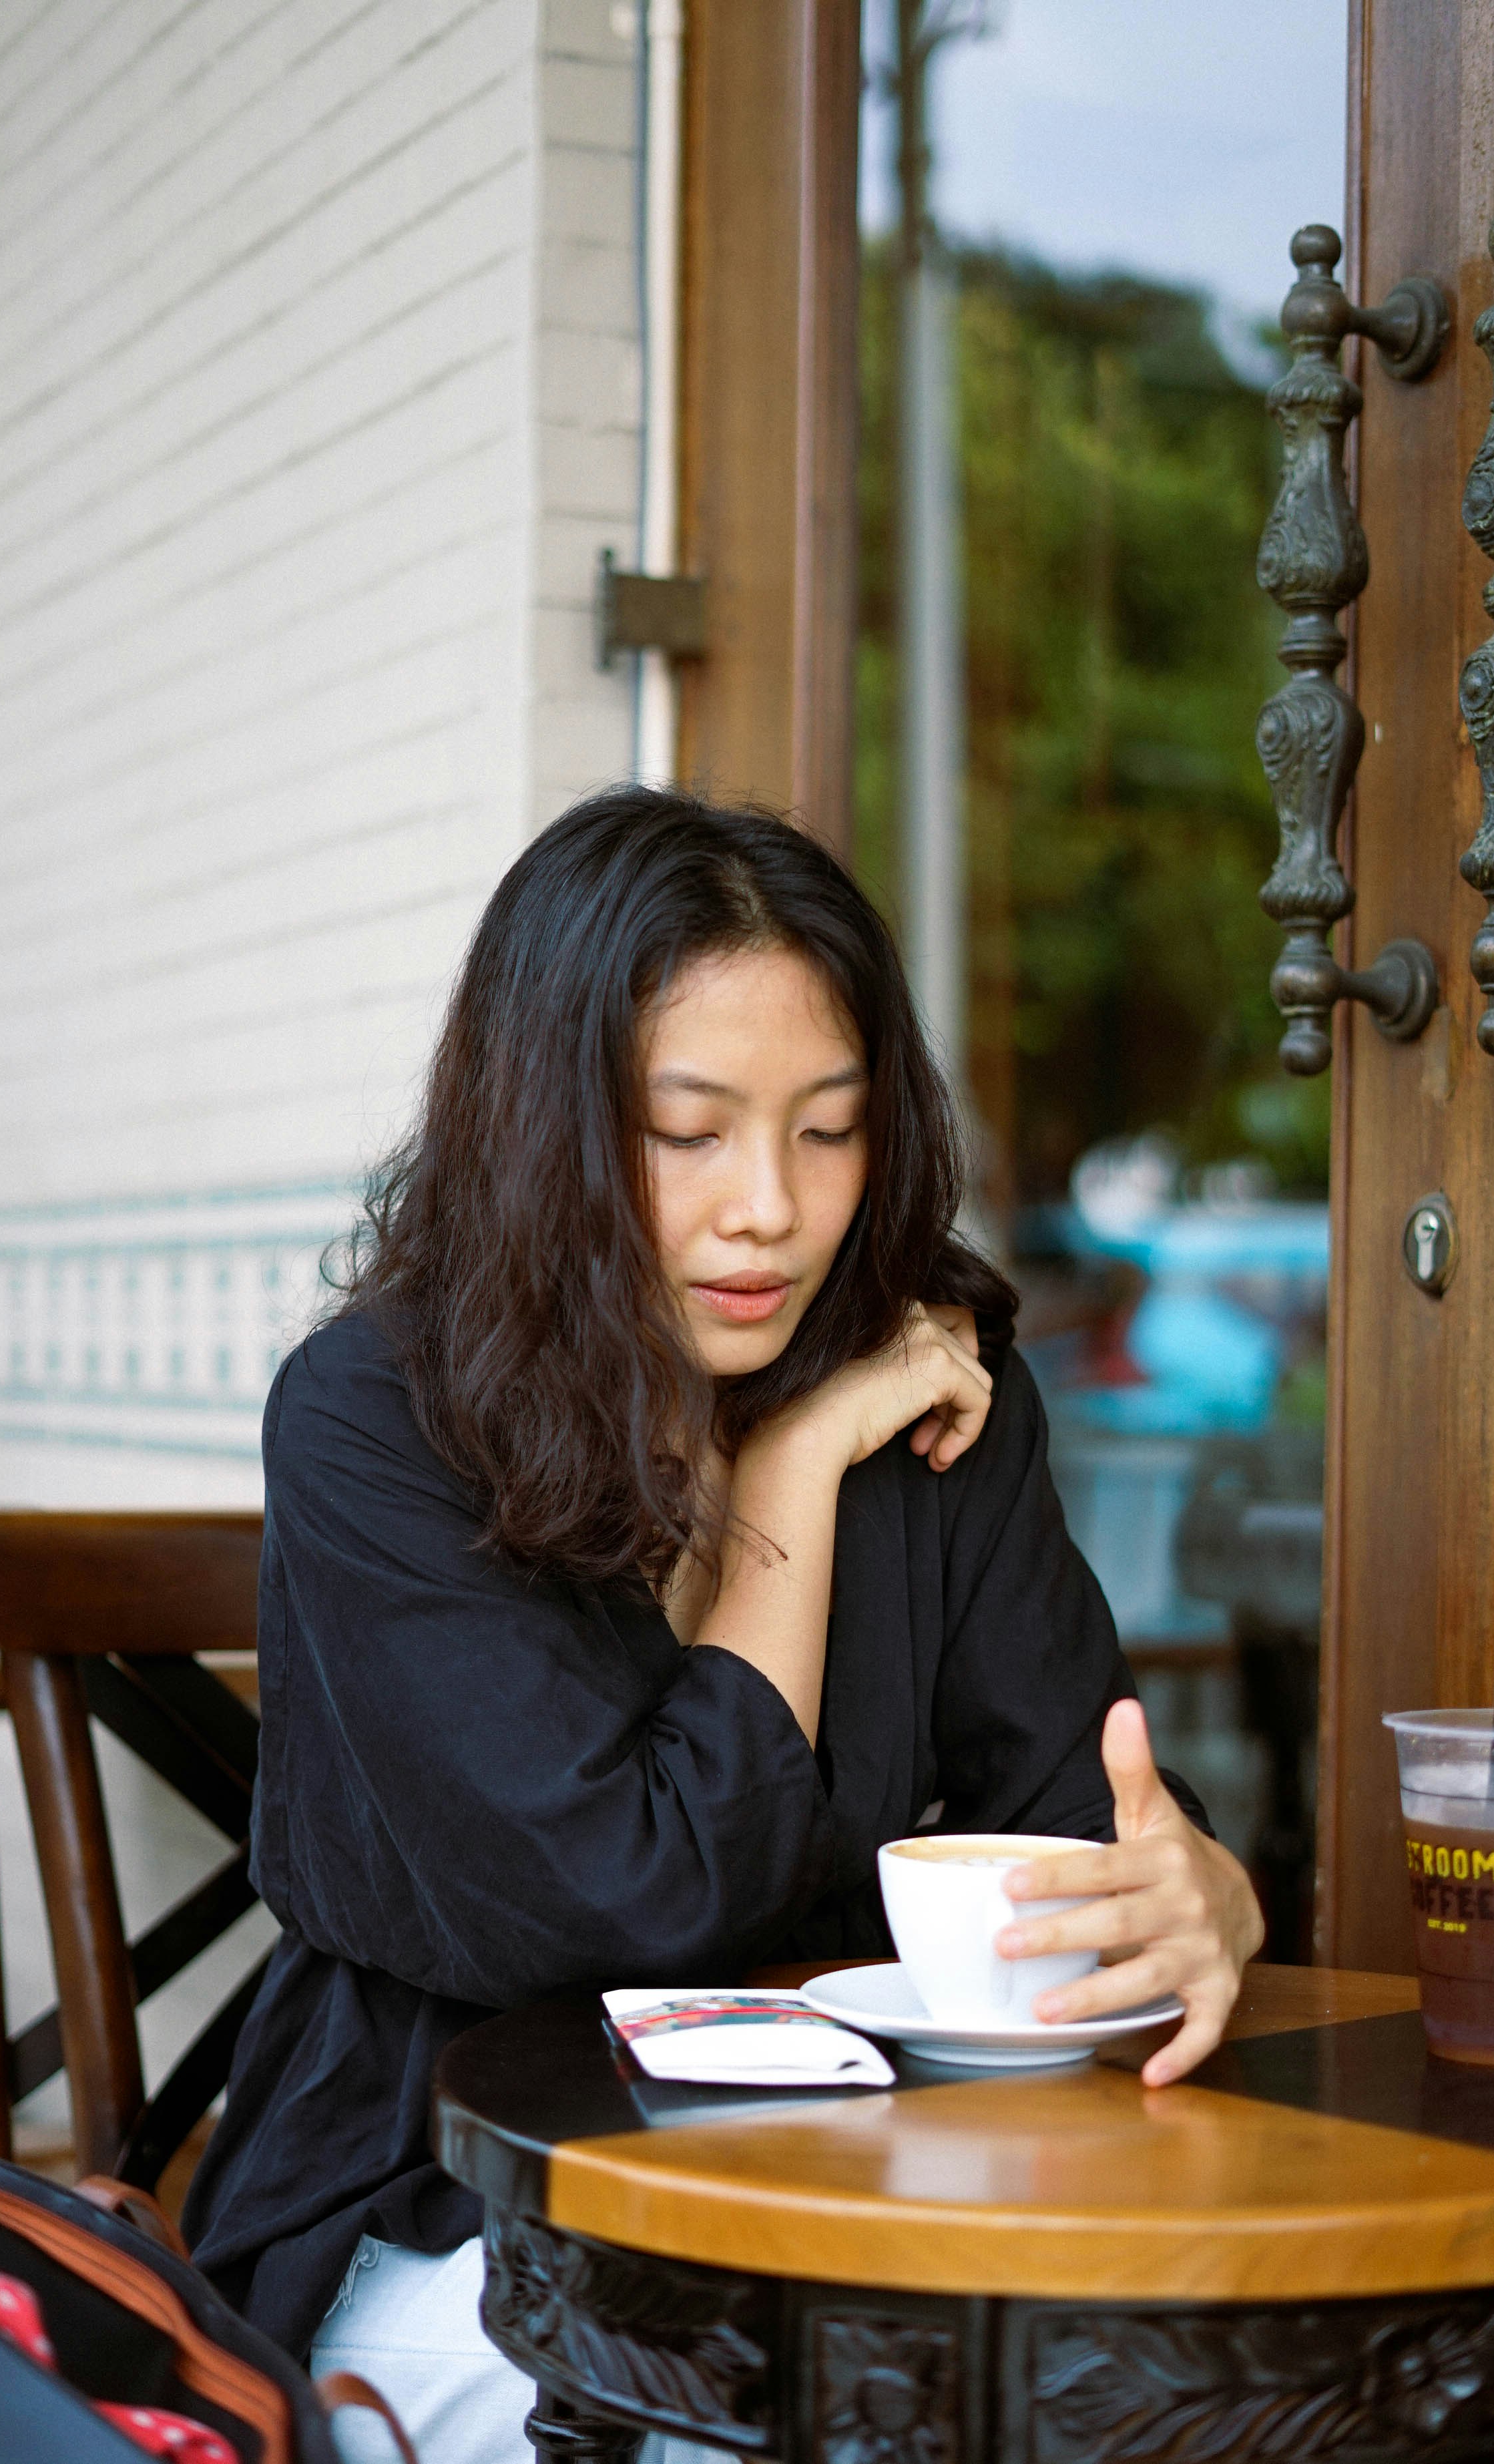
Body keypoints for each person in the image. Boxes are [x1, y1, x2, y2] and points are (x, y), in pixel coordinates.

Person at [184, 789, 1262, 2461]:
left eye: (828, 1131)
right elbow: (639, 1897)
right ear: (543, 1126)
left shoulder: (934, 1386)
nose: (770, 1206)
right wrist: (793, 1469)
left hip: (861, 2210)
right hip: (462, 2224)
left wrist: (1196, 1896)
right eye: (688, 1133)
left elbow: (1078, 1815)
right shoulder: (375, 1421)